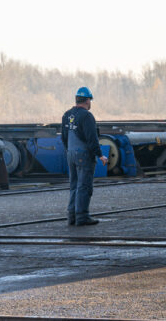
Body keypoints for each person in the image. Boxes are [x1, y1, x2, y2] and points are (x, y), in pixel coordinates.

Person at [61, 87, 105, 226]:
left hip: (71, 154)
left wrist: (69, 151)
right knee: (84, 186)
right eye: (90, 100)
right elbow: (92, 139)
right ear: (87, 100)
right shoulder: (86, 116)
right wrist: (100, 155)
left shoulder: (67, 115)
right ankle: (82, 216)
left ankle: (72, 216)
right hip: (84, 154)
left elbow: (64, 137)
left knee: (74, 185)